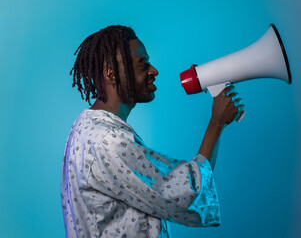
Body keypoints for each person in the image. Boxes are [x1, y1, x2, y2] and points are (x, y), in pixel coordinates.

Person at [60, 25, 244, 238]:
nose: (153, 71)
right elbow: (185, 194)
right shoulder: (109, 141)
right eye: (143, 64)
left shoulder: (86, 128)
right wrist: (217, 123)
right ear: (112, 75)